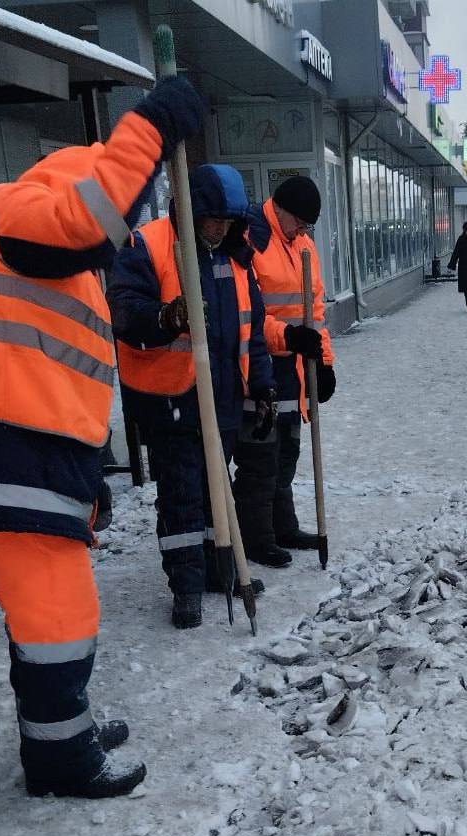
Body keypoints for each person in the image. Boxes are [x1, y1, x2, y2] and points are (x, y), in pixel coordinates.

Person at [0, 75, 204, 798]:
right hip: (4, 450)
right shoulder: (14, 209)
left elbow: (56, 377)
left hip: (28, 453)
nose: (121, 226)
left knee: (46, 610)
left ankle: (63, 725)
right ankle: (61, 758)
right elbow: (93, 217)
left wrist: (88, 481)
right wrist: (151, 127)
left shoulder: (60, 268)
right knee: (59, 613)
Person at [108, 164, 274, 630]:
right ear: (192, 210)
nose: (219, 227)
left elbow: (251, 331)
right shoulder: (149, 246)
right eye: (211, 217)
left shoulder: (236, 258)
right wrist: (165, 318)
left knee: (216, 492)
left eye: (228, 218)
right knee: (182, 496)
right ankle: (185, 587)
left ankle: (221, 571)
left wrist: (260, 386)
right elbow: (123, 312)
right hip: (170, 399)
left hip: (220, 398)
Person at [233, 176, 335, 566]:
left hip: (295, 368)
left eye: (308, 226)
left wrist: (324, 362)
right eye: (300, 223)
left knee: (287, 452)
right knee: (261, 456)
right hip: (259, 365)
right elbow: (246, 317)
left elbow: (317, 312)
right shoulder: (250, 241)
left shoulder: (303, 245)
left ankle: (283, 526)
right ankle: (257, 537)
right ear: (280, 210)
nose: (304, 231)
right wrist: (289, 336)